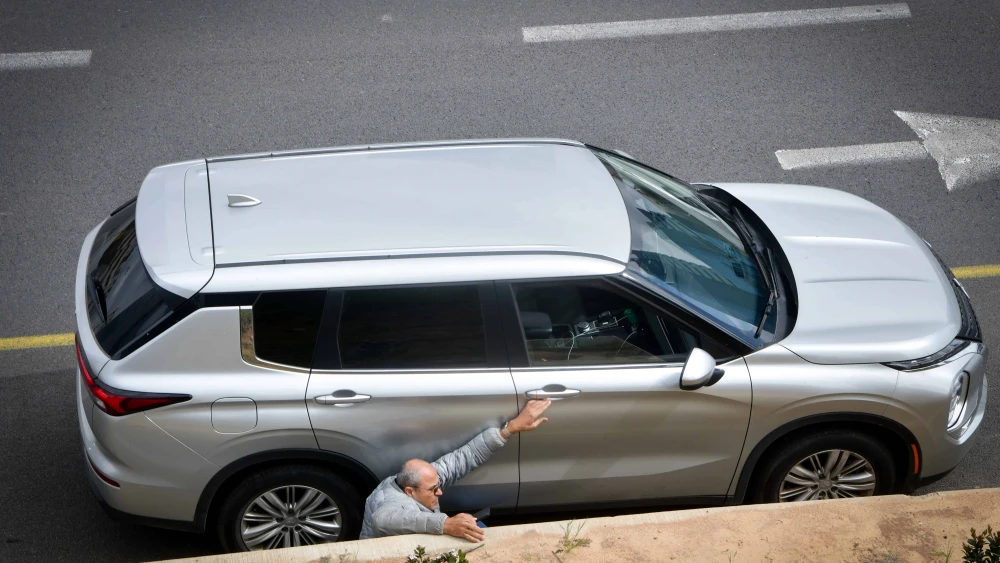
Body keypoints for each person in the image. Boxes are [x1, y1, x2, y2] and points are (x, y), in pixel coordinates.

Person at [359, 399, 553, 540]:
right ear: (410, 491)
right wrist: (446, 524)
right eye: (434, 489)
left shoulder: (419, 480)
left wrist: (509, 429)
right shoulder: (391, 502)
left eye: (438, 485)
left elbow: (463, 458)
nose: (440, 491)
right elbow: (382, 520)